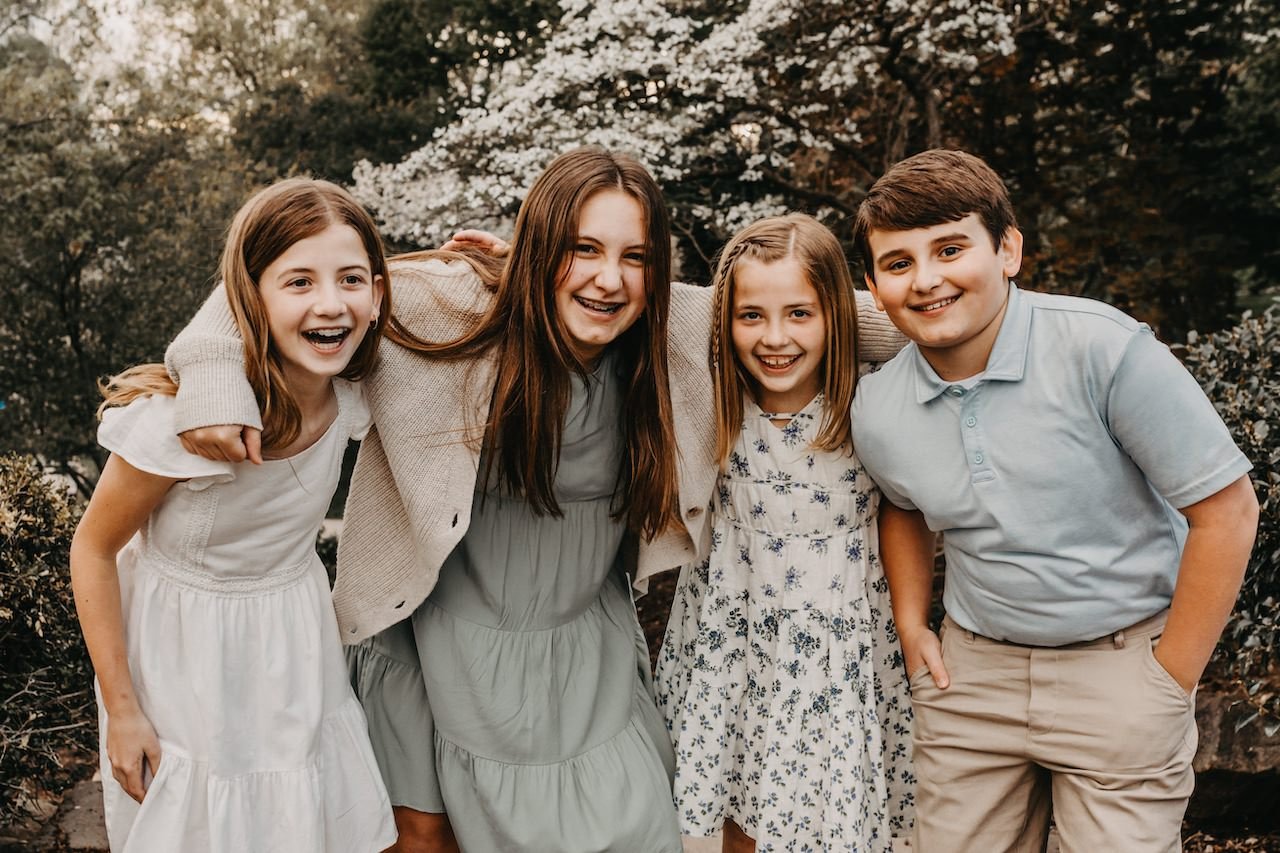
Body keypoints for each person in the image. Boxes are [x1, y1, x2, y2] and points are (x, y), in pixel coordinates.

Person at [163, 148, 907, 852]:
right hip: (429, 635)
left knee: (638, 827)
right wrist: (214, 373)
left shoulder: (676, 327)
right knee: (427, 837)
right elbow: (276, 281)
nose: (609, 279)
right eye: (582, 249)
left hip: (583, 649)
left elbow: (866, 317)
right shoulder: (450, 302)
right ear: (536, 247)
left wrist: (980, 310)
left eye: (635, 256)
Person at [849, 149, 1259, 852]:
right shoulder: (879, 404)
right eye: (898, 262)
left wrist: (1171, 677)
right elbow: (902, 505)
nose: (927, 279)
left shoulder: (1103, 349)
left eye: (951, 249)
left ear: (1008, 249)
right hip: (973, 676)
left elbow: (1226, 509)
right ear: (873, 283)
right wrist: (913, 623)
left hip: (1123, 662)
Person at [69, 178, 398, 852]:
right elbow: (93, 550)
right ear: (249, 298)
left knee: (294, 816)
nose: (330, 303)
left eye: (350, 279)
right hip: (184, 654)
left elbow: (421, 284)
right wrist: (123, 711)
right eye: (298, 282)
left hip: (292, 637)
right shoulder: (186, 424)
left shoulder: (353, 393)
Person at [655, 213, 915, 853]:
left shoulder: (872, 402)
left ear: (837, 312)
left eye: (801, 313)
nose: (775, 338)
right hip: (725, 639)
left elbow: (937, 323)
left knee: (823, 820)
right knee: (724, 811)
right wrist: (515, 271)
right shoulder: (710, 393)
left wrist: (848, 307)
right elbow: (648, 305)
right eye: (751, 316)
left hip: (835, 650)